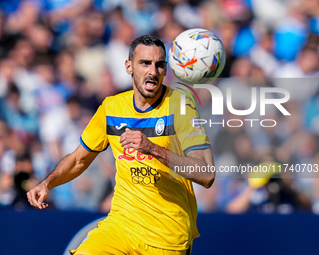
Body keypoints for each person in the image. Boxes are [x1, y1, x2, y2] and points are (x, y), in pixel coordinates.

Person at [27, 35, 215, 254]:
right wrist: (47, 183)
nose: (152, 72)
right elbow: (79, 159)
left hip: (167, 236)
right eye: (145, 63)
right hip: (121, 226)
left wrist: (152, 149)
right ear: (129, 66)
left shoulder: (181, 107)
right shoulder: (112, 107)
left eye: (159, 65)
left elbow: (206, 173)